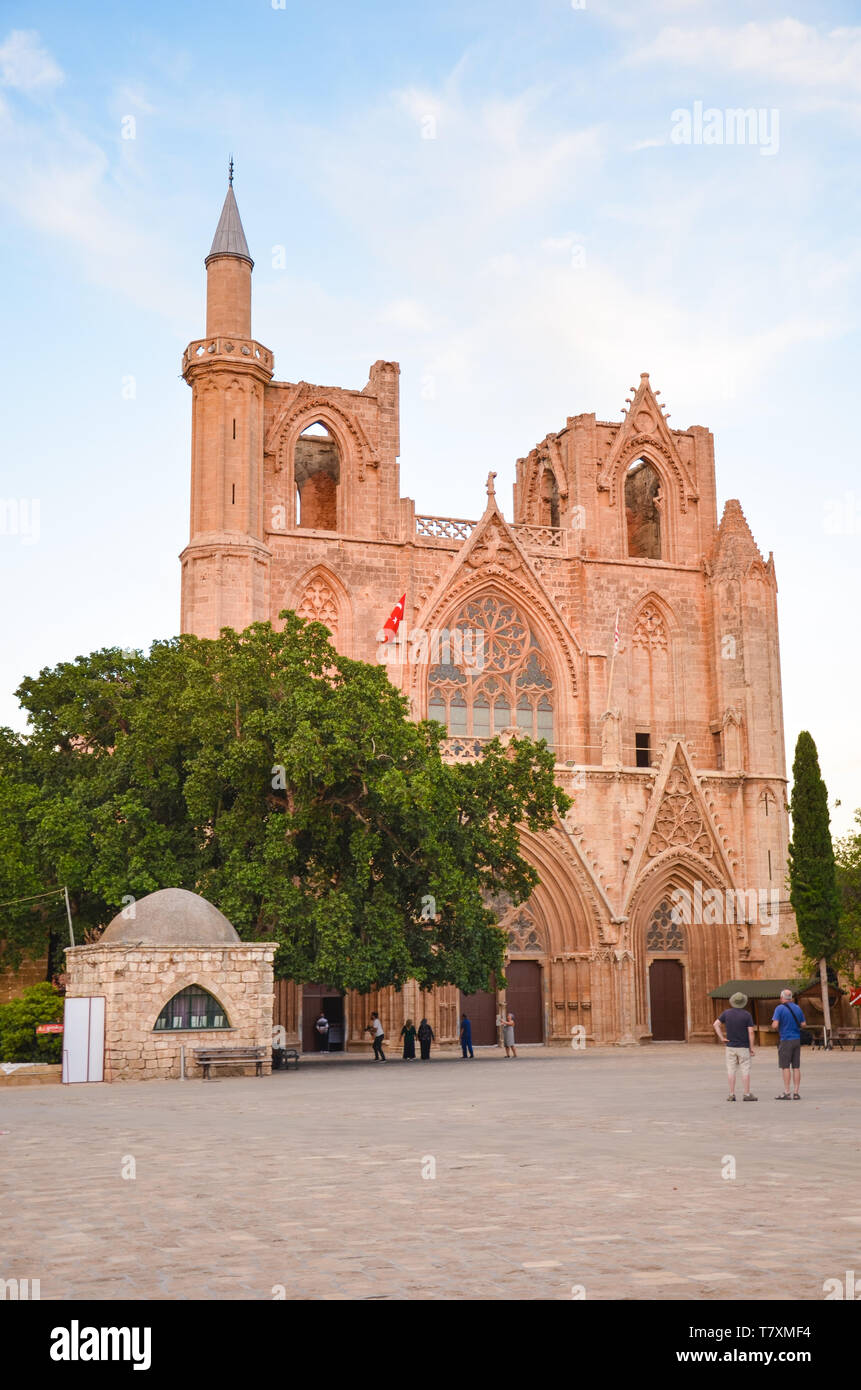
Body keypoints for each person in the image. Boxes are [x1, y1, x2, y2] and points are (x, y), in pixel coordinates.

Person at [712, 991, 757, 1101]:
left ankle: (731, 1094)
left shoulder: (726, 1013)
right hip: (743, 1046)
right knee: (745, 1070)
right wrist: (751, 1048)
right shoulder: (747, 1015)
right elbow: (751, 1032)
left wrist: (722, 1037)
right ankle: (746, 1094)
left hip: (730, 1046)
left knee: (731, 1070)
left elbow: (715, 1024)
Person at [771, 988, 805, 1099]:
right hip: (796, 1039)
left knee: (785, 1066)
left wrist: (774, 1025)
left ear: (782, 998)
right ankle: (796, 1092)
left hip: (785, 1040)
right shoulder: (798, 1008)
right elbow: (803, 1024)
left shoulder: (779, 1008)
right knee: (796, 1066)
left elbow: (775, 1025)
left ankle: (786, 1091)